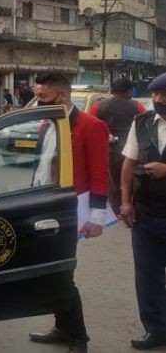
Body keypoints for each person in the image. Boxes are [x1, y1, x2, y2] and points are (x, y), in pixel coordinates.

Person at [29, 73, 109, 353]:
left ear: (62, 96)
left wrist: (97, 218)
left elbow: (100, 174)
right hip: (45, 207)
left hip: (71, 210)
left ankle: (79, 337)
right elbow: (40, 168)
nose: (37, 102)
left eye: (42, 97)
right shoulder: (46, 124)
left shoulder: (91, 126)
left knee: (62, 274)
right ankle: (62, 326)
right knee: (52, 272)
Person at [119, 73, 166, 350]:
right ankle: (156, 330)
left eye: (164, 95)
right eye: (155, 95)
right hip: (146, 213)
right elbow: (127, 164)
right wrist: (126, 202)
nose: (158, 100)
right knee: (147, 277)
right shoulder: (142, 122)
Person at [91, 78, 146, 214]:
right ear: (129, 92)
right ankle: (130, 204)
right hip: (132, 151)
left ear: (112, 91)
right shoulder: (137, 106)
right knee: (131, 178)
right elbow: (146, 126)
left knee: (112, 181)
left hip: (109, 150)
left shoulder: (99, 106)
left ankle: (116, 208)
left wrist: (105, 136)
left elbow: (90, 126)